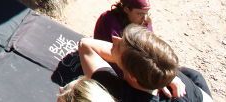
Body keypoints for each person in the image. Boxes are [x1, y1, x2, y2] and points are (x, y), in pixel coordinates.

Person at [79, 25, 214, 102]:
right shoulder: (176, 78)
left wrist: (118, 57)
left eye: (119, 46)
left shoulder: (122, 94)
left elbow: (86, 45)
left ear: (133, 77)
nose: (114, 39)